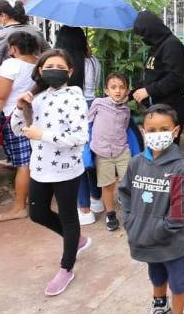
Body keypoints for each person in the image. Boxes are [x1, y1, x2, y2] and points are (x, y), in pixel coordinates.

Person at [11, 49, 91, 296]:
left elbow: (80, 136)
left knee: (69, 218)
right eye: (48, 66)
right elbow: (17, 130)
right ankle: (75, 240)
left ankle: (66, 268)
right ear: (40, 72)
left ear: (70, 71)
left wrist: (43, 135)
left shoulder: (74, 96)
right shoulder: (38, 99)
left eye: (59, 65)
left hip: (66, 169)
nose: (53, 69)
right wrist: (19, 107)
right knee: (37, 213)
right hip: (40, 168)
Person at [121, 104, 184, 314]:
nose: (157, 133)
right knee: (155, 274)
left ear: (175, 131)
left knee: (177, 279)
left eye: (164, 129)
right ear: (143, 131)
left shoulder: (180, 167)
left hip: (169, 240)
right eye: (152, 129)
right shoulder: (135, 163)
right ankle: (159, 306)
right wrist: (130, 220)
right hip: (142, 236)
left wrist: (162, 228)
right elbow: (126, 194)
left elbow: (182, 208)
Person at [54, 25, 102, 225]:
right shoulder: (93, 61)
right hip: (93, 109)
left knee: (77, 160)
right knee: (92, 157)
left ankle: (84, 208)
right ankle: (96, 198)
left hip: (72, 111)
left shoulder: (64, 64)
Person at [0, 32, 39, 221]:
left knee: (23, 163)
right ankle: (36, 200)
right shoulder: (40, 63)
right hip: (36, 116)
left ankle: (20, 207)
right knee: (33, 159)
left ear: (14, 48)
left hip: (15, 116)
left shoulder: (11, 65)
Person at [131, 11, 184, 139]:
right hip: (159, 108)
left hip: (171, 108)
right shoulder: (157, 46)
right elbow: (153, 76)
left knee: (166, 152)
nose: (142, 39)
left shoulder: (172, 46)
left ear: (151, 30)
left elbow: (175, 78)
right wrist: (131, 93)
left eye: (143, 35)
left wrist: (148, 91)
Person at [88, 72, 132, 232]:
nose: (118, 91)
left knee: (128, 183)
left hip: (122, 151)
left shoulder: (126, 110)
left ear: (127, 91)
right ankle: (110, 214)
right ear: (107, 90)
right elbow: (88, 122)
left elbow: (125, 127)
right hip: (103, 153)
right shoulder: (98, 103)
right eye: (113, 87)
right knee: (107, 185)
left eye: (122, 87)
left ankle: (129, 212)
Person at [0, 0, 50, 80]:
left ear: (3, 15)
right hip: (36, 77)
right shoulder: (35, 30)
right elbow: (48, 52)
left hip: (12, 79)